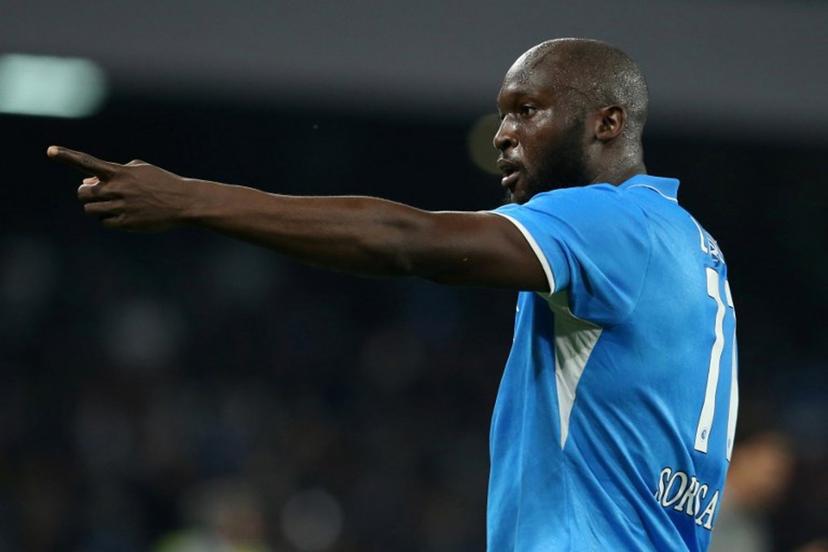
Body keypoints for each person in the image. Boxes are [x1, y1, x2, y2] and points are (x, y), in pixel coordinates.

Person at [48, 38, 738, 551]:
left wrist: (189, 199)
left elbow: (407, 241)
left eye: (527, 111)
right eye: (503, 114)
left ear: (607, 123)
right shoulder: (689, 244)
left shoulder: (610, 223)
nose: (503, 135)